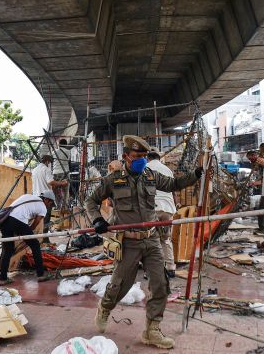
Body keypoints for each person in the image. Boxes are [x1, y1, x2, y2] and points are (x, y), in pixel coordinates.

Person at [85, 135, 202, 349]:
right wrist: (98, 219)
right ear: (126, 157)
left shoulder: (150, 175)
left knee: (160, 284)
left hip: (152, 239)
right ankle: (105, 307)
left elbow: (174, 183)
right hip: (128, 242)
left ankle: (152, 330)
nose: (141, 160)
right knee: (120, 285)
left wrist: (194, 175)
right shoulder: (113, 179)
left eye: (144, 157)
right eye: (137, 156)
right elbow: (91, 201)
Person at [0, 191, 56, 285]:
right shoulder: (42, 208)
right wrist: (27, 234)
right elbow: (35, 224)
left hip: (4, 220)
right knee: (35, 245)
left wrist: (23, 232)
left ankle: (2, 279)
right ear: (45, 199)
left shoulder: (27, 196)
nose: (49, 205)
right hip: (17, 220)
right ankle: (40, 275)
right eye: (50, 203)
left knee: (8, 249)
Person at [146, 148, 177, 278]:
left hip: (152, 208)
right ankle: (170, 268)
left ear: (148, 158)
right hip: (168, 209)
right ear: (159, 158)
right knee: (165, 239)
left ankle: (152, 271)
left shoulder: (145, 168)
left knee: (150, 240)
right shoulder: (167, 170)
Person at [33, 154, 67, 242]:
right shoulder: (46, 169)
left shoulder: (35, 170)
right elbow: (50, 181)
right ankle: (44, 238)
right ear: (47, 161)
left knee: (39, 218)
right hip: (45, 197)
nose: (50, 164)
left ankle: (40, 238)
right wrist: (62, 183)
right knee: (46, 218)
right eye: (50, 163)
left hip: (36, 196)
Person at [52, 139, 72, 210]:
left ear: (59, 144)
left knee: (56, 191)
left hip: (55, 173)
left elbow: (52, 161)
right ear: (66, 145)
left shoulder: (54, 152)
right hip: (65, 172)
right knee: (65, 191)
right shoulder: (68, 152)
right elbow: (69, 162)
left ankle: (58, 206)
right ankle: (64, 207)